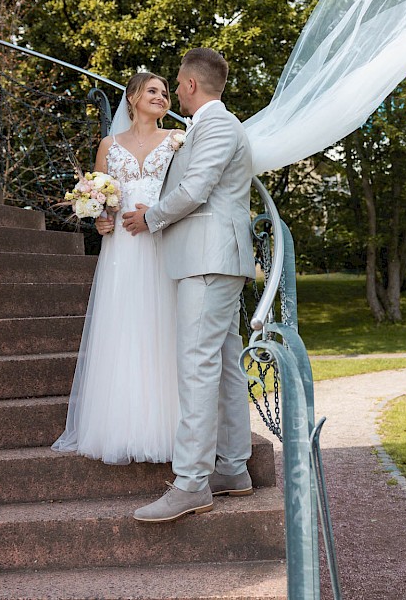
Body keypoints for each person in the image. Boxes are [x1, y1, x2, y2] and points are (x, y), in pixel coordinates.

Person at [123, 48, 256, 523]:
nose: (175, 90)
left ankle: (192, 483)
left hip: (209, 258)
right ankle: (233, 468)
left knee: (196, 367)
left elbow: (196, 188)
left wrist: (150, 218)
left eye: (177, 83)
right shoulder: (204, 127)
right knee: (223, 363)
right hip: (211, 258)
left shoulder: (218, 125)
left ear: (192, 86)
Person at [51, 72, 182, 464]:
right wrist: (100, 221)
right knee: (124, 331)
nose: (162, 97)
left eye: (165, 93)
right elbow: (104, 202)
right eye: (153, 91)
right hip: (122, 252)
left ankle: (173, 428)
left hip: (161, 246)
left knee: (163, 329)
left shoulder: (176, 141)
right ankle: (122, 427)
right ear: (133, 98)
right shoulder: (109, 146)